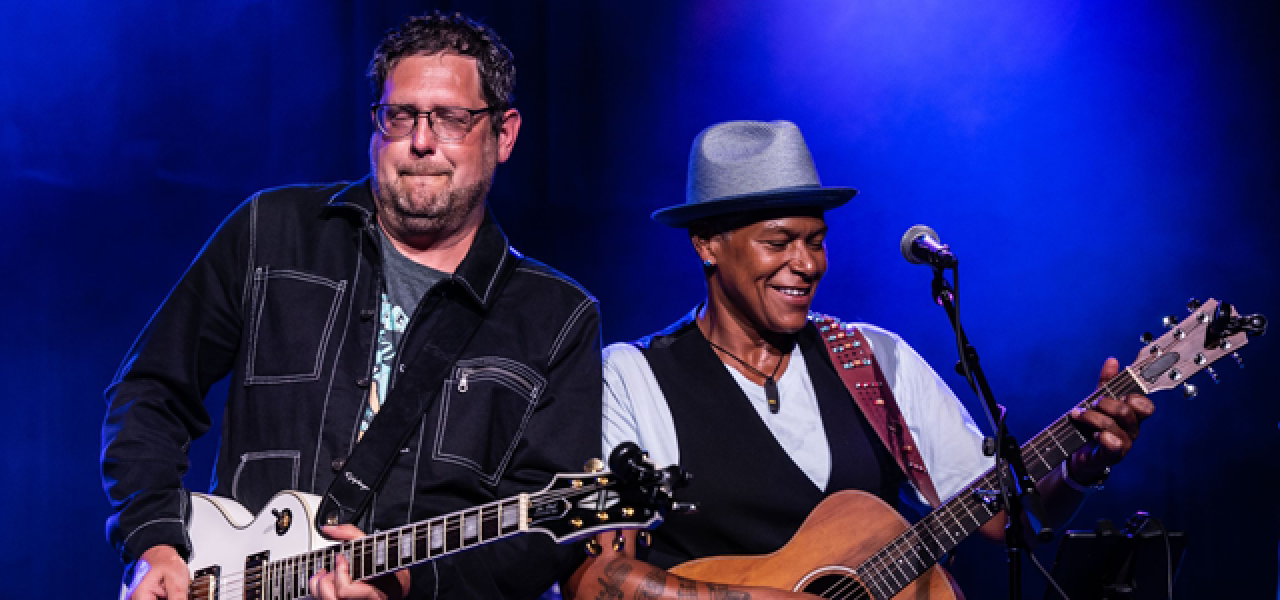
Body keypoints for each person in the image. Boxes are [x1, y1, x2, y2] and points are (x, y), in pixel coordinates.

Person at [102, 12, 602, 600]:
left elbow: (539, 537)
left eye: (451, 119)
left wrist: (409, 583)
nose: (421, 141)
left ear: (505, 133)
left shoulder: (557, 316)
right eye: (401, 116)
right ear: (376, 125)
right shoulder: (272, 230)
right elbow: (150, 392)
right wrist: (154, 542)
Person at [566, 120, 1153, 598]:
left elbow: (1007, 520)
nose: (808, 264)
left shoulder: (875, 358)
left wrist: (1080, 465)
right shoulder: (633, 377)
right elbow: (598, 581)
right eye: (779, 241)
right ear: (707, 243)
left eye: (816, 241)